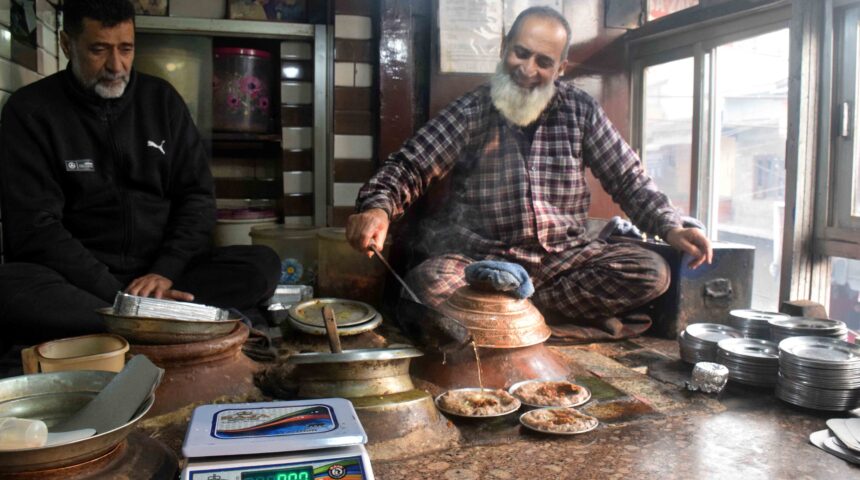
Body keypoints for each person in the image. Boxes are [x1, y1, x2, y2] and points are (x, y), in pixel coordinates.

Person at [346, 7, 712, 337]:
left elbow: (628, 177)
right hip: (482, 265)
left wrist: (671, 226)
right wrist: (379, 208)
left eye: (543, 61)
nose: (527, 69)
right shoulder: (472, 109)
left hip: (563, 262)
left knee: (651, 271)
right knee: (427, 282)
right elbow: (411, 164)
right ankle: (521, 320)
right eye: (520, 52)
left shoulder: (580, 110)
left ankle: (506, 319)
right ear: (504, 47)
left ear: (560, 69)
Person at [0, 0, 280, 344]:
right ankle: (154, 321)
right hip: (82, 283)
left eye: (126, 49)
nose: (115, 66)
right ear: (65, 44)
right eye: (98, 50)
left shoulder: (162, 101)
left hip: (163, 278)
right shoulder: (31, 111)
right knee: (10, 286)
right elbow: (35, 227)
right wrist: (119, 297)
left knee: (262, 264)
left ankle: (140, 321)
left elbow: (197, 198)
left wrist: (165, 270)